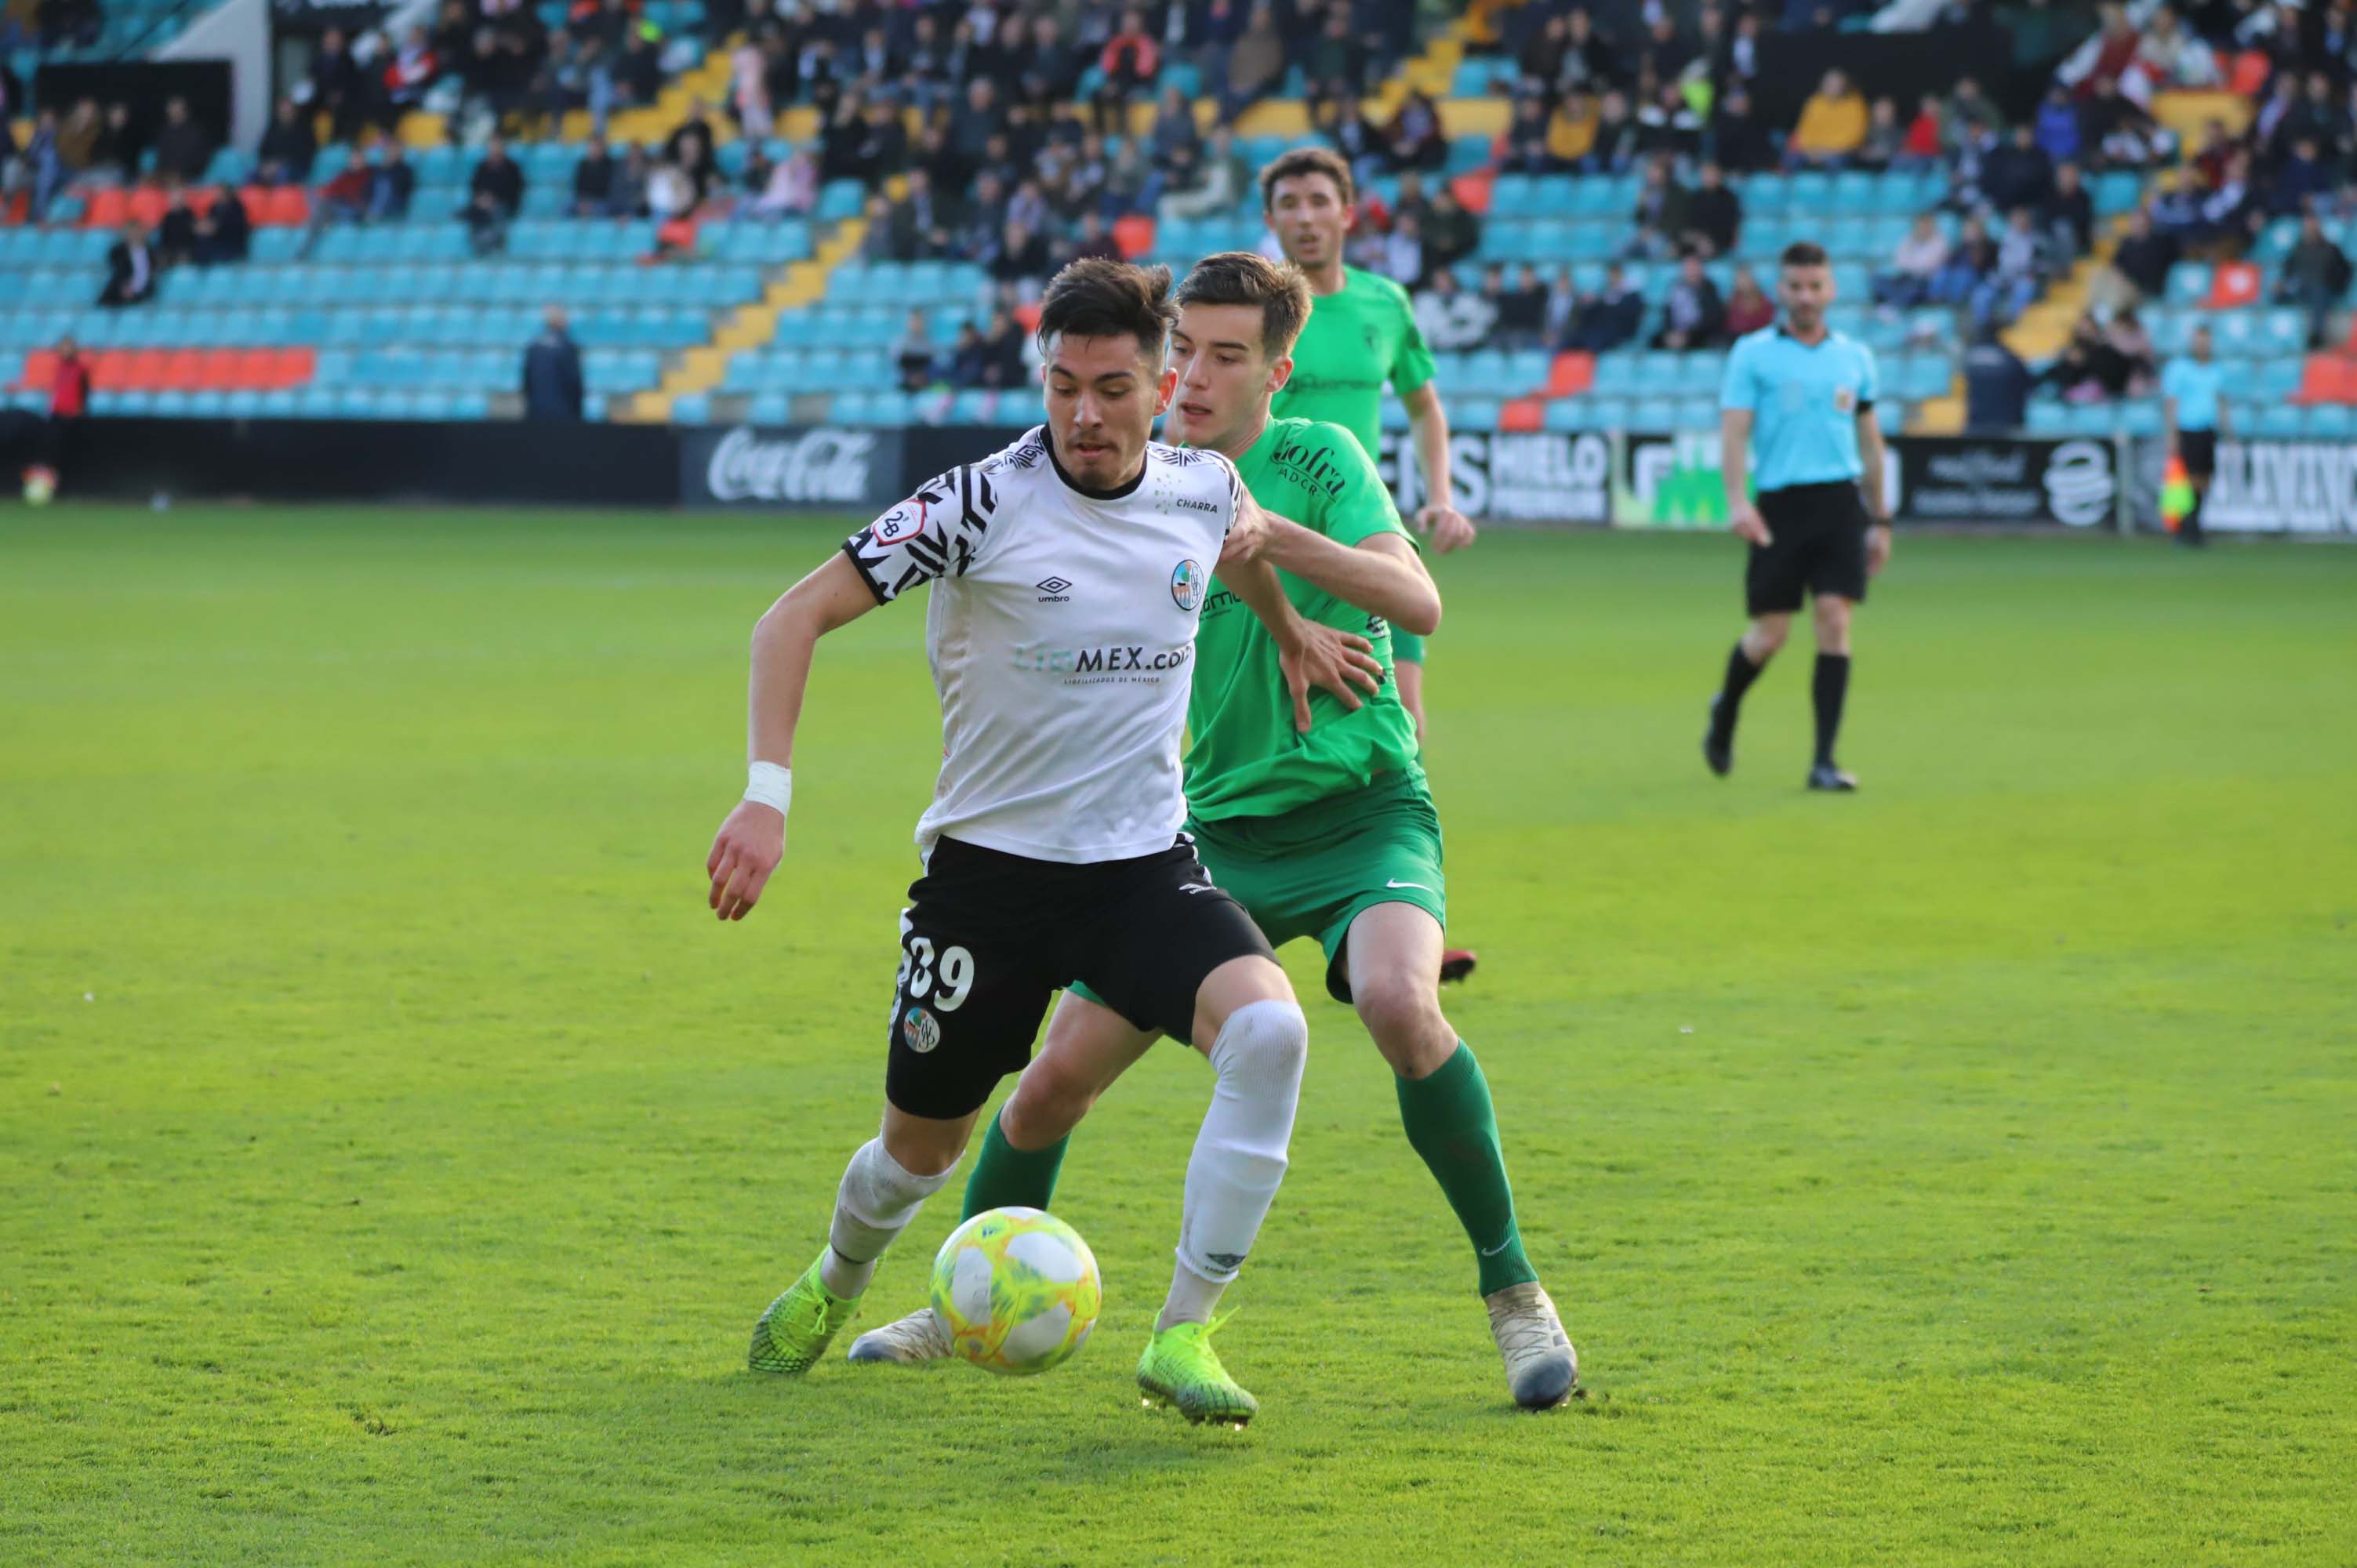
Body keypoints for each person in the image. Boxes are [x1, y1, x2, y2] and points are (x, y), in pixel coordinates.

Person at [841, 251, 1578, 1414]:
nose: (1190, 372)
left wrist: (1274, 544)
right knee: (1042, 1093)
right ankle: (966, 1295)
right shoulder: (1148, 479)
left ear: (1276, 373)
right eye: (1179, 346)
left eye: (1223, 355)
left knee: (1397, 1002)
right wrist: (1282, 624)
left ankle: (1513, 1294)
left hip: (1357, 807)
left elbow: (1416, 600)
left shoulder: (1311, 460)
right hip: (1204, 834)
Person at [717, 259, 1371, 1418]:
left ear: (1163, 381)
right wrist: (767, 795)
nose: (1082, 414)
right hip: (988, 884)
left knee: (1269, 1034)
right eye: (1062, 385)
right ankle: (838, 1276)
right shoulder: (979, 501)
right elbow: (793, 614)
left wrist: (1289, 635)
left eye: (1112, 387)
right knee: (915, 1154)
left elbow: (1241, 545)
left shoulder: (1203, 485)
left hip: (1140, 873)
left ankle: (1183, 1336)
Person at [1259, 147, 1469, 750]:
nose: (1306, 217)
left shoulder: (1386, 303)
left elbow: (1425, 407)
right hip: (1278, 547)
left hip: (1369, 537)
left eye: (1319, 201)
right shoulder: (1252, 313)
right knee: (1288, 729)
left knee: (1405, 726)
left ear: (1348, 214)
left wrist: (1443, 498)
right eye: (1289, 205)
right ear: (1271, 221)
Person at [1705, 241, 1890, 793]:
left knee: (1835, 618)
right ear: (1780, 291)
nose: (1805, 297)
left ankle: (1824, 762)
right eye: (1795, 287)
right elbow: (1735, 432)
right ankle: (1727, 707)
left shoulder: (1855, 358)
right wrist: (1739, 501)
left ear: (1830, 290)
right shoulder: (1753, 354)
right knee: (1770, 635)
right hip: (1780, 506)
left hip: (1840, 504)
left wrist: (1881, 520)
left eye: (1815, 287)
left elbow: (1872, 444)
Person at [2162, 324, 2226, 547]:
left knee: (2204, 479)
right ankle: (2185, 529)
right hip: (2187, 429)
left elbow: (2221, 402)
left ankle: (2195, 525)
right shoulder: (2179, 368)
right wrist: (2172, 433)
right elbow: (2171, 402)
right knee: (2187, 480)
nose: (2202, 345)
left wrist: (2228, 431)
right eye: (2199, 341)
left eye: (2206, 341)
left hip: (2208, 430)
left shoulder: (2217, 370)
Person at [1963, 321, 2033, 433]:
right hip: (2006, 422)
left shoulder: (1970, 356)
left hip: (1977, 421)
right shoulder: (2008, 357)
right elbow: (2026, 381)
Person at [521, 306, 584, 421]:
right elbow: (574, 382)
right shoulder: (568, 347)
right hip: (564, 414)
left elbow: (527, 382)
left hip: (536, 412)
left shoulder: (534, 347)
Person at [1654, 253, 1727, 350]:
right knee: (1655, 340)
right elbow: (1668, 313)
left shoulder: (1709, 289)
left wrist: (1688, 333)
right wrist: (1672, 332)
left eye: (1693, 267)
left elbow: (1712, 317)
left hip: (1699, 333)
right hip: (1677, 332)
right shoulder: (1676, 288)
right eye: (1688, 268)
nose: (1691, 271)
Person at [99, 222, 157, 308]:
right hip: (120, 290)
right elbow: (119, 270)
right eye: (131, 232)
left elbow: (151, 271)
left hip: (143, 290)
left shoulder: (150, 251)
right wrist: (125, 287)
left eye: (137, 232)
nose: (134, 235)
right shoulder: (119, 251)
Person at [894, 309, 937, 392]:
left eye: (919, 321)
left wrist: (923, 377)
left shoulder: (930, 345)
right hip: (905, 385)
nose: (916, 324)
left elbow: (934, 366)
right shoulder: (899, 345)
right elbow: (896, 368)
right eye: (914, 321)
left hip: (926, 383)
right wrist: (910, 378)